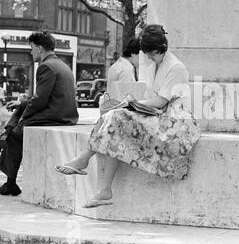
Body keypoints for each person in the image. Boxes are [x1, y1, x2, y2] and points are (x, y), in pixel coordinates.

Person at [55, 24, 200, 208]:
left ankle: (85, 163)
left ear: (163, 48)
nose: (150, 58)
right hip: (158, 113)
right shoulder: (156, 62)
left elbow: (161, 101)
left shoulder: (176, 67)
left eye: (153, 54)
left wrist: (131, 104)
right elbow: (152, 99)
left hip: (174, 121)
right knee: (113, 117)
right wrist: (132, 104)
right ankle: (101, 185)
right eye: (148, 55)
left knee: (117, 117)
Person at [0, 31, 79, 196]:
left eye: (32, 48)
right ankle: (6, 133)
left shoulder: (46, 67)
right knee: (20, 109)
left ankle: (10, 182)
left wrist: (22, 119)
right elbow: (42, 97)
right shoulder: (62, 64)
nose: (31, 52)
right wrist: (21, 104)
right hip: (65, 114)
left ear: (40, 48)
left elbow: (39, 101)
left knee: (14, 136)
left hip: (56, 117)